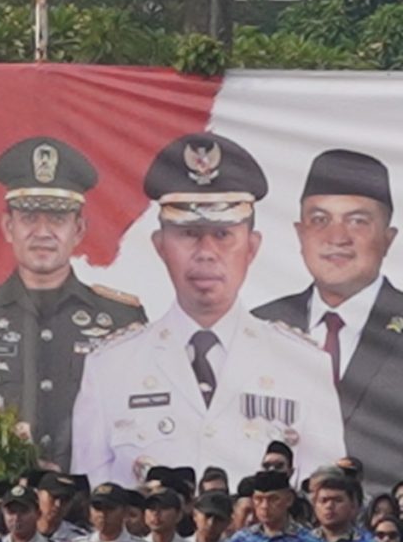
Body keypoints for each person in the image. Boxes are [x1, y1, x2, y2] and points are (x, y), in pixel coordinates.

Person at [71, 134, 347, 483]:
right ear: (160, 246)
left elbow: (326, 499)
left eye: (222, 234)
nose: (205, 252)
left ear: (252, 247)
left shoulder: (305, 366)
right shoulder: (109, 368)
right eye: (188, 234)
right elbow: (90, 503)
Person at [0, 138, 145, 471]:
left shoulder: (122, 320)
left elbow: (147, 425)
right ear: (8, 227)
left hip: (95, 510)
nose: (43, 232)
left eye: (57, 219)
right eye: (30, 217)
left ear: (79, 230)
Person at [253, 150, 403, 486]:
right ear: (300, 234)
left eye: (358, 221)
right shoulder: (257, 327)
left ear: (388, 238)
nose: (337, 237)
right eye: (320, 219)